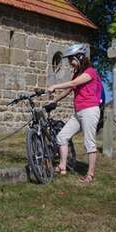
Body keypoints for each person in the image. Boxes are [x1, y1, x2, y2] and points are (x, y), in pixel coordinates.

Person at [47, 43, 103, 184]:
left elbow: (73, 84)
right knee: (62, 137)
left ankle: (90, 175)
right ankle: (62, 166)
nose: (70, 63)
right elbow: (68, 90)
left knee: (89, 143)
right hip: (79, 112)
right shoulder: (77, 73)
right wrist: (54, 100)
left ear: (80, 57)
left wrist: (55, 86)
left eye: (71, 59)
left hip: (90, 110)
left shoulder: (90, 72)